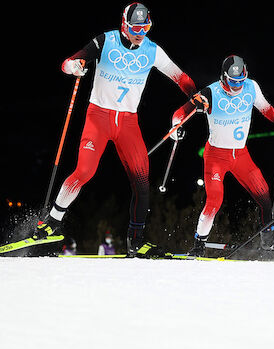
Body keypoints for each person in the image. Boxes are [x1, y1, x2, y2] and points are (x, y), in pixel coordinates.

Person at [32, 3, 197, 258]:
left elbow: (182, 78)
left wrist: (194, 98)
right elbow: (68, 63)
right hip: (98, 117)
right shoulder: (106, 41)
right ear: (124, 24)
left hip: (128, 123)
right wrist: (74, 67)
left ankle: (136, 241)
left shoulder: (152, 51)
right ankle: (52, 223)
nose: (141, 32)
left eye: (146, 27)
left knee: (142, 183)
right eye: (136, 27)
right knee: (84, 171)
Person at [170, 55, 274, 256]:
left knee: (264, 195)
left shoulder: (251, 87)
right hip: (215, 157)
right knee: (214, 201)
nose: (238, 85)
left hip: (240, 155)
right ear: (223, 77)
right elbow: (180, 113)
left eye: (241, 80)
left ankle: (268, 242)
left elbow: (266, 109)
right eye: (233, 81)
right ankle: (198, 246)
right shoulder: (210, 93)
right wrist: (176, 127)